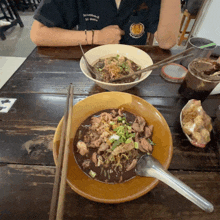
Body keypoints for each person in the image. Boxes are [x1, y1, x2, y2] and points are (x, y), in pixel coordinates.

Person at [30, 0, 180, 49]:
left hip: (135, 72)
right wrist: (96, 36)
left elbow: (167, 42)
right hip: (89, 67)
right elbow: (38, 33)